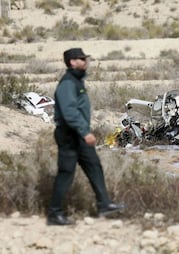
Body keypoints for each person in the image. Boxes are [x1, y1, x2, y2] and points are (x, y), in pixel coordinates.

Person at [47, 48, 125, 225]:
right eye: (82, 59)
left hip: (78, 135)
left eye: (85, 58)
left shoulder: (77, 81)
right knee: (66, 173)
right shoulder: (68, 83)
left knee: (94, 166)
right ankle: (54, 214)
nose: (85, 61)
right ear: (72, 62)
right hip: (69, 134)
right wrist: (84, 132)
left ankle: (104, 204)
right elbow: (69, 112)